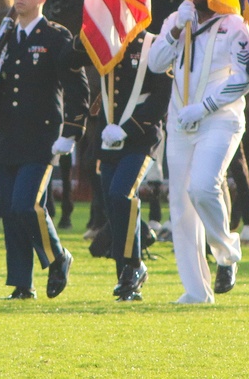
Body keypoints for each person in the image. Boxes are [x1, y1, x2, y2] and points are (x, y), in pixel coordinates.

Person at [0, 0, 89, 300]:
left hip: (42, 137)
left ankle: (58, 256)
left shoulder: (55, 36)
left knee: (26, 206)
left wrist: (73, 129)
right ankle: (22, 283)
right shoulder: (8, 38)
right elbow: (3, 83)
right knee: (10, 212)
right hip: (9, 136)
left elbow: (76, 85)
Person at [148, 0, 249, 304]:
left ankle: (226, 251)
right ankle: (197, 290)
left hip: (219, 119)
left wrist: (207, 105)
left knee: (202, 186)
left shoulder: (235, 27)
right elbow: (155, 64)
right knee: (180, 206)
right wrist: (174, 30)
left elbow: (247, 77)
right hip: (180, 120)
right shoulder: (178, 18)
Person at [67, 30, 171, 301]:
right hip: (108, 138)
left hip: (140, 138)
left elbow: (161, 99)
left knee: (120, 194)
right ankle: (127, 278)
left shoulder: (154, 45)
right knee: (114, 205)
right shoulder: (105, 39)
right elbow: (70, 58)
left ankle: (133, 266)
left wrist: (128, 129)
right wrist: (88, 27)